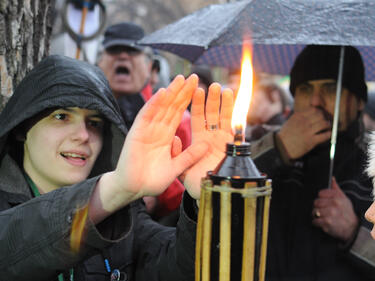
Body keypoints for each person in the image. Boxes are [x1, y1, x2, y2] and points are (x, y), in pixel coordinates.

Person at [0, 55, 234, 280]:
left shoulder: (125, 214)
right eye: (61, 117)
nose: (83, 135)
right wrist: (112, 192)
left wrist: (207, 203)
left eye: (94, 123)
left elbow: (181, 269)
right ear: (22, 129)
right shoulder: (114, 196)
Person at [251, 45, 375, 280]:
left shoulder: (372, 166)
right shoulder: (259, 140)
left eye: (330, 88)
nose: (315, 102)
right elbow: (217, 198)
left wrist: (353, 233)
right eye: (306, 89)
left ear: (359, 101)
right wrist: (278, 149)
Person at [98, 22, 192, 225]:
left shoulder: (176, 118)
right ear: (99, 62)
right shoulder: (82, 112)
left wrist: (157, 195)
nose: (123, 56)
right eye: (114, 50)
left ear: (150, 66)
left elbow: (187, 188)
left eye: (133, 50)